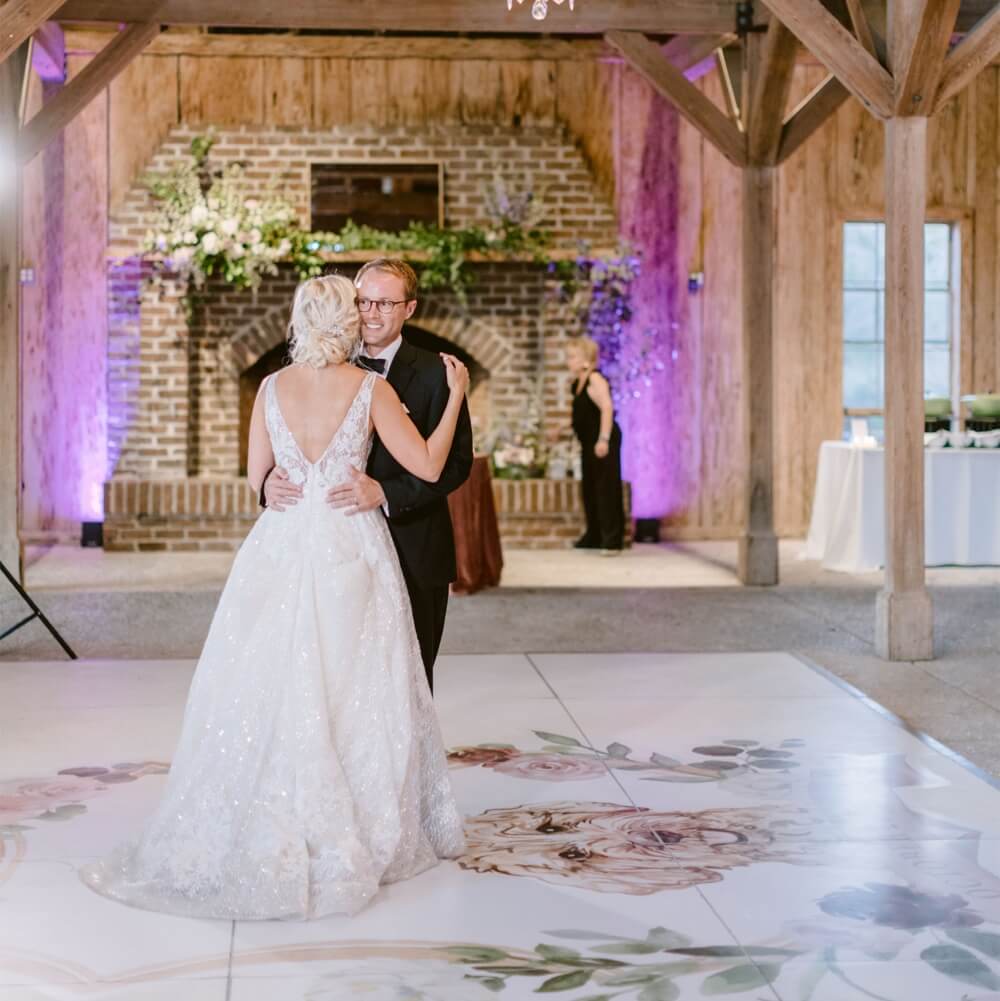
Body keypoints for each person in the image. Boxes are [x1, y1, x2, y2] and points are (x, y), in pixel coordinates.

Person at [80, 275, 469, 920]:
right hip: (349, 545)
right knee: (356, 684)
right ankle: (353, 815)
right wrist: (454, 397)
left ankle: (274, 808)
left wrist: (273, 490)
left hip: (283, 545)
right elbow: (428, 466)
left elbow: (259, 479)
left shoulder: (267, 388)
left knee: (275, 679)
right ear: (345, 322)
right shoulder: (372, 388)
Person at [263, 259, 473, 692]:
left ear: (410, 308)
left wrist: (387, 492)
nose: (372, 313)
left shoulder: (439, 373)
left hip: (413, 542)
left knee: (411, 679)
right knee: (332, 676)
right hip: (336, 549)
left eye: (385, 303)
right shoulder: (317, 367)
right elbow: (284, 441)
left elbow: (454, 464)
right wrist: (266, 482)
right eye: (363, 301)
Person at [567, 336, 624, 555]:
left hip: (602, 441)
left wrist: (604, 439)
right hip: (588, 443)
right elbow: (583, 414)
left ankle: (612, 540)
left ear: (585, 360)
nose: (568, 362)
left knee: (605, 489)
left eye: (572, 357)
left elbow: (607, 408)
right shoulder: (577, 384)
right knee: (590, 489)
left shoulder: (595, 379)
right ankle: (595, 535)